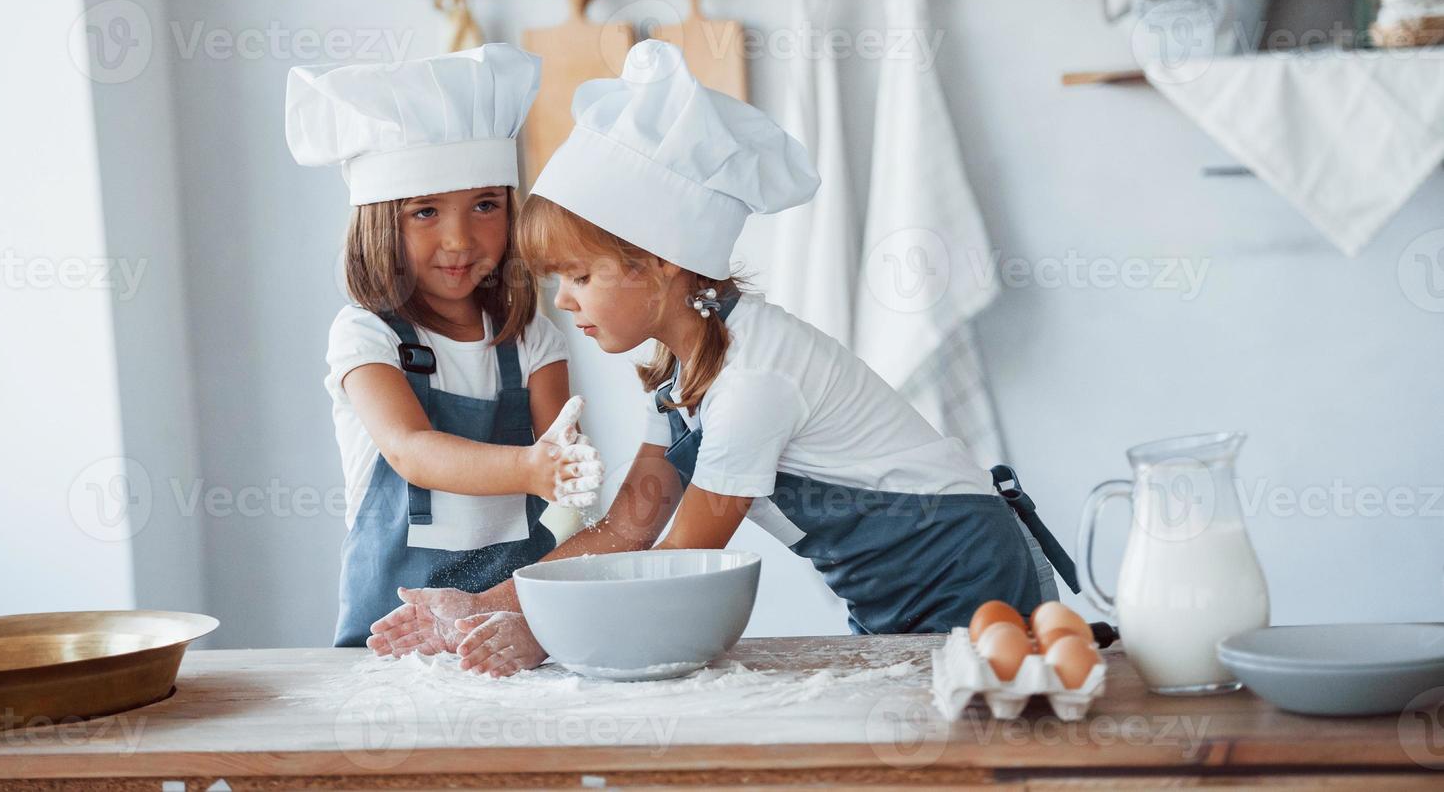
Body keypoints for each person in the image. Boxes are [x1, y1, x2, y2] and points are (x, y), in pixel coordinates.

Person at [367, 40, 1077, 676]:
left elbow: (682, 562)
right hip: (890, 588)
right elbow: (628, 528)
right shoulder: (679, 375)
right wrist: (481, 602)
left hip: (962, 570)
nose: (564, 301)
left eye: (580, 277)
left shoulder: (752, 381)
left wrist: (541, 636)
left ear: (662, 263)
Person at [286, 44, 604, 647]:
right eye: (426, 212)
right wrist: (532, 468)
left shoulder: (532, 337)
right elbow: (410, 450)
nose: (460, 239)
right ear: (379, 224)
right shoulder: (366, 335)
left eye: (485, 205)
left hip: (507, 616)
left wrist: (569, 470)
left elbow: (558, 450)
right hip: (394, 624)